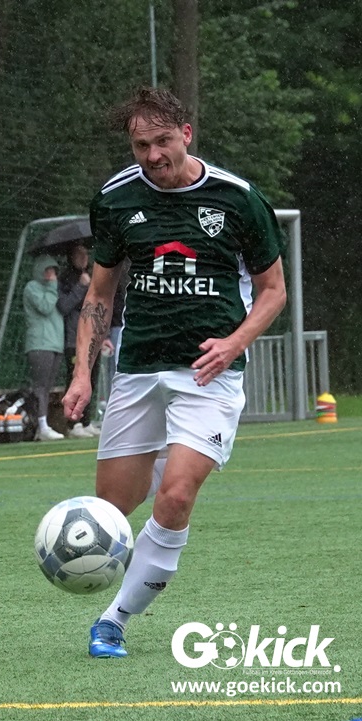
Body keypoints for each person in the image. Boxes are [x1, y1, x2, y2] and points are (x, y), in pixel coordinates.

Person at [62, 87, 286, 659]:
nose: (154, 155)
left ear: (186, 134)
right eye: (142, 145)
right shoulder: (114, 199)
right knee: (113, 508)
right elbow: (100, 295)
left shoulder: (238, 200)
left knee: (177, 496)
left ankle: (113, 620)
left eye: (163, 141)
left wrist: (234, 344)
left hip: (209, 375)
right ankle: (165, 456)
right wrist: (82, 374)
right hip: (138, 370)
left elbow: (273, 291)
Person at [57, 243, 101, 438]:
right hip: (73, 339)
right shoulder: (65, 279)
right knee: (75, 378)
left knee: (93, 378)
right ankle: (73, 422)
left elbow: (99, 306)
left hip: (93, 338)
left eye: (86, 254)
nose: (84, 258)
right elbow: (64, 306)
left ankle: (86, 420)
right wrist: (80, 287)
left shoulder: (93, 276)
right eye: (79, 254)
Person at [23, 254, 65, 441]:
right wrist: (53, 286)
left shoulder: (53, 290)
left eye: (53, 271)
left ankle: (42, 425)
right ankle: (41, 425)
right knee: (40, 387)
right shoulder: (32, 287)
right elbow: (45, 306)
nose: (50, 274)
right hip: (40, 343)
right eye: (47, 270)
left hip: (55, 344)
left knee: (46, 387)